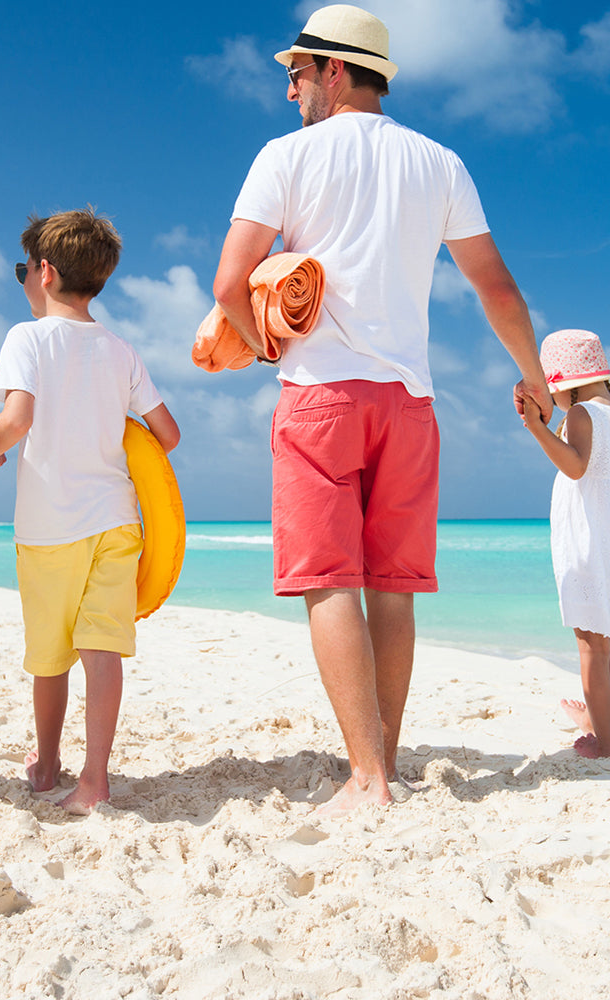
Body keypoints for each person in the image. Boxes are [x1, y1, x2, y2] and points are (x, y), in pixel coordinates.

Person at [211, 4, 552, 814]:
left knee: (330, 583)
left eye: (297, 71)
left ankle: (366, 777)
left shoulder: (285, 156)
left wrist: (265, 347)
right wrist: (534, 376)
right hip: (411, 403)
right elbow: (495, 286)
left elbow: (230, 284)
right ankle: (383, 760)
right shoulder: (440, 162)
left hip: (319, 396)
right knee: (391, 588)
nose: (290, 87)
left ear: (335, 70)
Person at [0, 209, 180, 813]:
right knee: (102, 650)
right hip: (117, 522)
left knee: (51, 657)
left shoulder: (26, 338)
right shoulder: (120, 350)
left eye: (22, 270)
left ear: (45, 271)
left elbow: (15, 421)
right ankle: (94, 781)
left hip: (49, 526)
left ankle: (47, 766)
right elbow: (167, 434)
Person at [522, 329, 610, 760]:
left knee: (592, 641)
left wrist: (537, 429)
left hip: (592, 545)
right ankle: (600, 716)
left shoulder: (581, 416)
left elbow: (576, 467)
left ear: (562, 384)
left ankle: (605, 741)